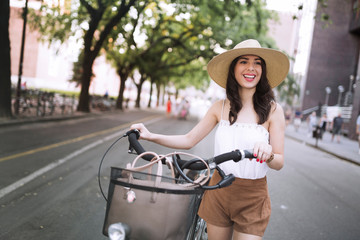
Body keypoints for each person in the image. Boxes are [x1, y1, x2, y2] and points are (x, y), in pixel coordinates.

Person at [130, 39, 289, 240]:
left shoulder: (274, 110)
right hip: (218, 190)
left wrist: (268, 154)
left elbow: (279, 161)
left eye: (257, 62)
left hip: (253, 196)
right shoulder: (219, 107)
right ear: (233, 69)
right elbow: (189, 140)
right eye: (244, 61)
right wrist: (149, 135)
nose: (251, 68)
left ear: (263, 70)